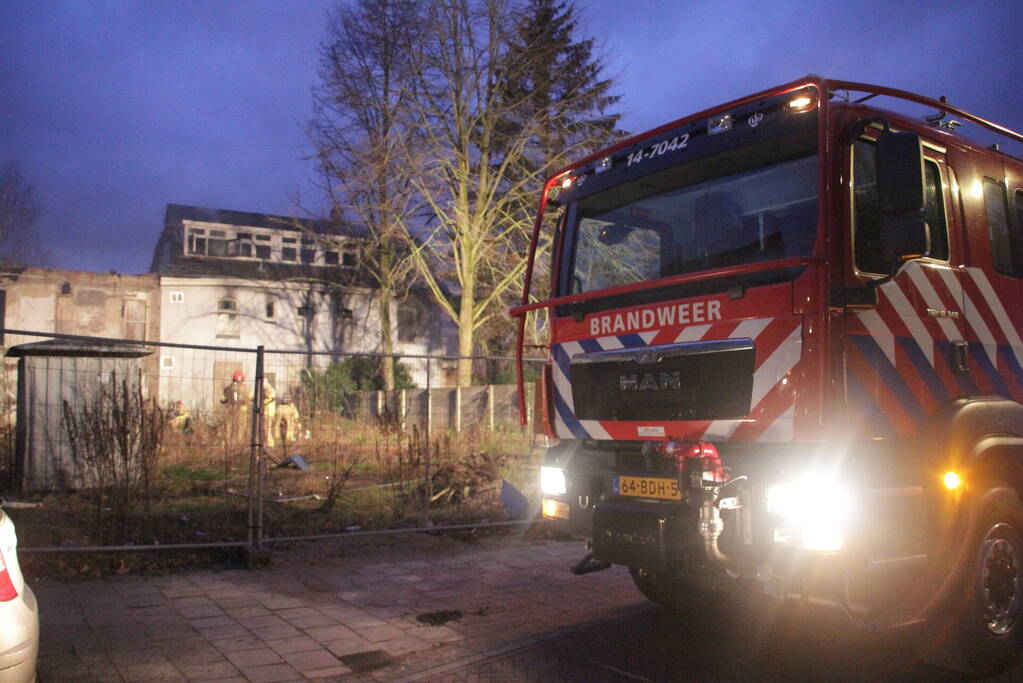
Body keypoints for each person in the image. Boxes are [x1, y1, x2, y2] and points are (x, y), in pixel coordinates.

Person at [220, 370, 252, 445]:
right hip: (242, 411)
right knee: (241, 428)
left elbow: (222, 400)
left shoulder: (227, 389)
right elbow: (251, 398)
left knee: (228, 428)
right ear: (243, 379)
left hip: (229, 410)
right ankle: (239, 444)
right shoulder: (246, 388)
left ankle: (226, 445)